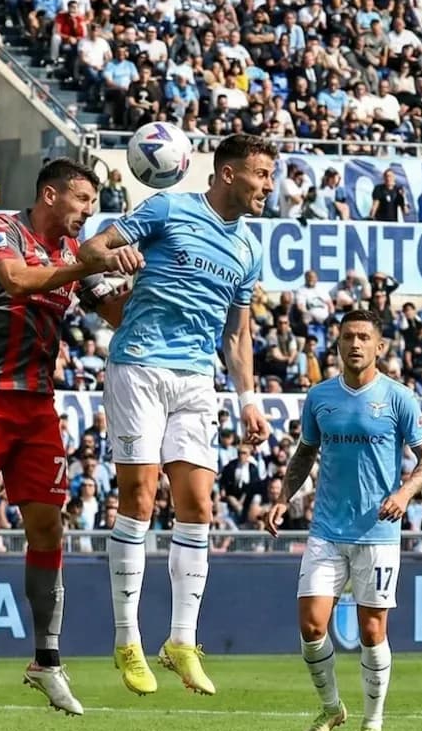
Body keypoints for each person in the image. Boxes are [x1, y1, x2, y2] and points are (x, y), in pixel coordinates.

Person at [0, 158, 137, 717]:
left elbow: (116, 313)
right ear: (51, 195)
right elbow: (18, 280)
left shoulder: (79, 253)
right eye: (82, 201)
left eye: (94, 204)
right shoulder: (1, 228)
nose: (89, 212)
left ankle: (46, 661)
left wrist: (145, 276)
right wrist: (85, 262)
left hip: (37, 404)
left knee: (49, 526)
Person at [79, 133, 276, 696]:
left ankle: (181, 642)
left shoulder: (247, 250)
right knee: (138, 498)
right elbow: (91, 249)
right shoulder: (170, 209)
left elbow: (237, 336)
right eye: (261, 175)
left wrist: (248, 399)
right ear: (229, 173)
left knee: (198, 506)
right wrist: (114, 255)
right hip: (139, 365)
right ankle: (126, 641)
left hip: (196, 379)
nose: (268, 186)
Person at [266, 308, 422, 731]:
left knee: (372, 631)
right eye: (347, 337)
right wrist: (284, 498)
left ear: (380, 346)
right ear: (337, 345)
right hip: (326, 529)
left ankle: (373, 725)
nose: (355, 344)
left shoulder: (398, 398)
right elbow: (305, 453)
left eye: (363, 337)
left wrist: (404, 494)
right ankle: (331, 707)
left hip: (377, 533)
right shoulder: (320, 396)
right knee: (311, 624)